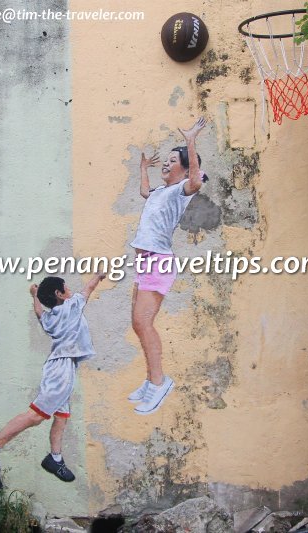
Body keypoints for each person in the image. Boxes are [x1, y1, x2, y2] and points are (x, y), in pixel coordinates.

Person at [0, 273, 105, 492]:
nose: (70, 291)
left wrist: (34, 295)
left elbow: (39, 312)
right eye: (66, 288)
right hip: (61, 370)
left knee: (61, 417)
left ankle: (55, 458)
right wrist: (99, 275)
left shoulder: (50, 318)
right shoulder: (72, 306)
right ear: (60, 294)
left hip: (61, 366)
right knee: (36, 415)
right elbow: (89, 288)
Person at [129, 117, 208, 415]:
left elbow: (196, 181)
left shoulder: (180, 191)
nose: (167, 164)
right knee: (138, 324)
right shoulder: (162, 192)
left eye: (173, 161)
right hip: (145, 261)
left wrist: (190, 141)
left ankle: (159, 383)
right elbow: (144, 193)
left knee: (142, 323)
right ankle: (151, 382)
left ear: (184, 168)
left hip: (158, 262)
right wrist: (143, 168)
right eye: (167, 160)